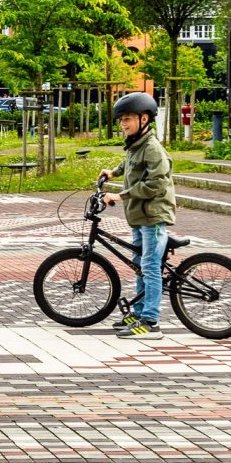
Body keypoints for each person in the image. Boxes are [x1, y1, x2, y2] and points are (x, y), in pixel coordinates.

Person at [97, 92, 176, 340]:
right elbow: (130, 165)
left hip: (153, 217)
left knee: (150, 267)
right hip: (139, 217)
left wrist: (120, 195)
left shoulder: (152, 149)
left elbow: (157, 184)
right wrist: (112, 172)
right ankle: (140, 312)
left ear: (144, 119)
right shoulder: (136, 144)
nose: (123, 124)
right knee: (140, 266)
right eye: (121, 120)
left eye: (128, 119)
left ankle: (151, 322)